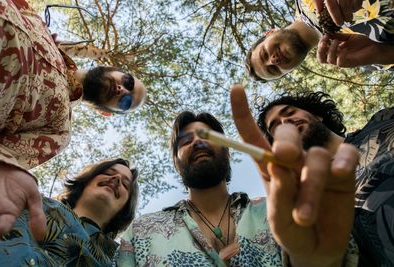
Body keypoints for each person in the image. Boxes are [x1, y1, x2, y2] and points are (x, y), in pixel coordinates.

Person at [116, 85, 360, 266]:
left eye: (207, 136)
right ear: (176, 162)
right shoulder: (141, 232)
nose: (198, 142)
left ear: (228, 153)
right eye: (186, 141)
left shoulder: (281, 213)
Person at [0, 0, 146, 244]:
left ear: (106, 112)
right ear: (113, 67)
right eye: (128, 81)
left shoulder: (58, 131)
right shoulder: (45, 31)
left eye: (126, 102)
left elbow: (1, 157)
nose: (122, 90)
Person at [256, 90, 394, 266]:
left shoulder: (383, 120)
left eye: (290, 113)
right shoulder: (314, 206)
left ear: (317, 115)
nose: (286, 122)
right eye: (276, 127)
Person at [0, 157, 139, 266]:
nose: (117, 178)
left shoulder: (121, 258)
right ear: (87, 180)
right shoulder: (30, 200)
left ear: (126, 206)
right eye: (108, 172)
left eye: (125, 184)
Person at [245, 0, 394, 81]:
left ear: (271, 32)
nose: (273, 61)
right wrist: (384, 52)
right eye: (274, 69)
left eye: (265, 54)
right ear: (290, 71)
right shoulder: (363, 58)